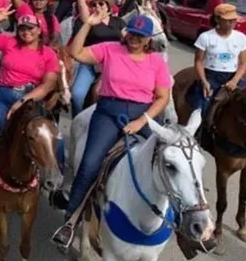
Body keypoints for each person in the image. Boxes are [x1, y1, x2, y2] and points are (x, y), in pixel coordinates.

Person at [52, 14, 172, 248]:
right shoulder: (109, 49)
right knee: (89, 165)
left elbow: (162, 97)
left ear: (148, 39)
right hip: (108, 112)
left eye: (140, 36)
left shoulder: (157, 61)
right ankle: (71, 221)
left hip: (143, 114)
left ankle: (182, 221)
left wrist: (142, 121)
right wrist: (87, 23)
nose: (135, 39)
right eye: (132, 34)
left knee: (168, 160)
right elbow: (76, 52)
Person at [0, 9, 60, 134]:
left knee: (51, 138)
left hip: (30, 97)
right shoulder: (10, 42)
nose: (26, 32)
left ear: (39, 29)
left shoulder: (49, 54)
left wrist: (22, 101)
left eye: (30, 28)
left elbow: (48, 85)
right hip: (1, 93)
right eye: (22, 29)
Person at [188, 3, 246, 137]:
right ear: (217, 19)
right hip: (211, 75)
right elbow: (199, 61)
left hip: (233, 76)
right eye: (227, 20)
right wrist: (204, 81)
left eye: (233, 20)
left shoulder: (241, 38)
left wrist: (235, 80)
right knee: (201, 103)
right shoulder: (206, 37)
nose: (231, 23)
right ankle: (197, 134)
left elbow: (244, 63)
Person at [70, 0, 125, 117]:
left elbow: (127, 41)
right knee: (77, 94)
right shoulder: (88, 21)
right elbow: (81, 4)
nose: (97, 7)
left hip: (114, 64)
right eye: (94, 5)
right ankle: (78, 119)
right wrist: (88, 24)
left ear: (108, 6)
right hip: (90, 63)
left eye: (101, 3)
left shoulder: (119, 22)